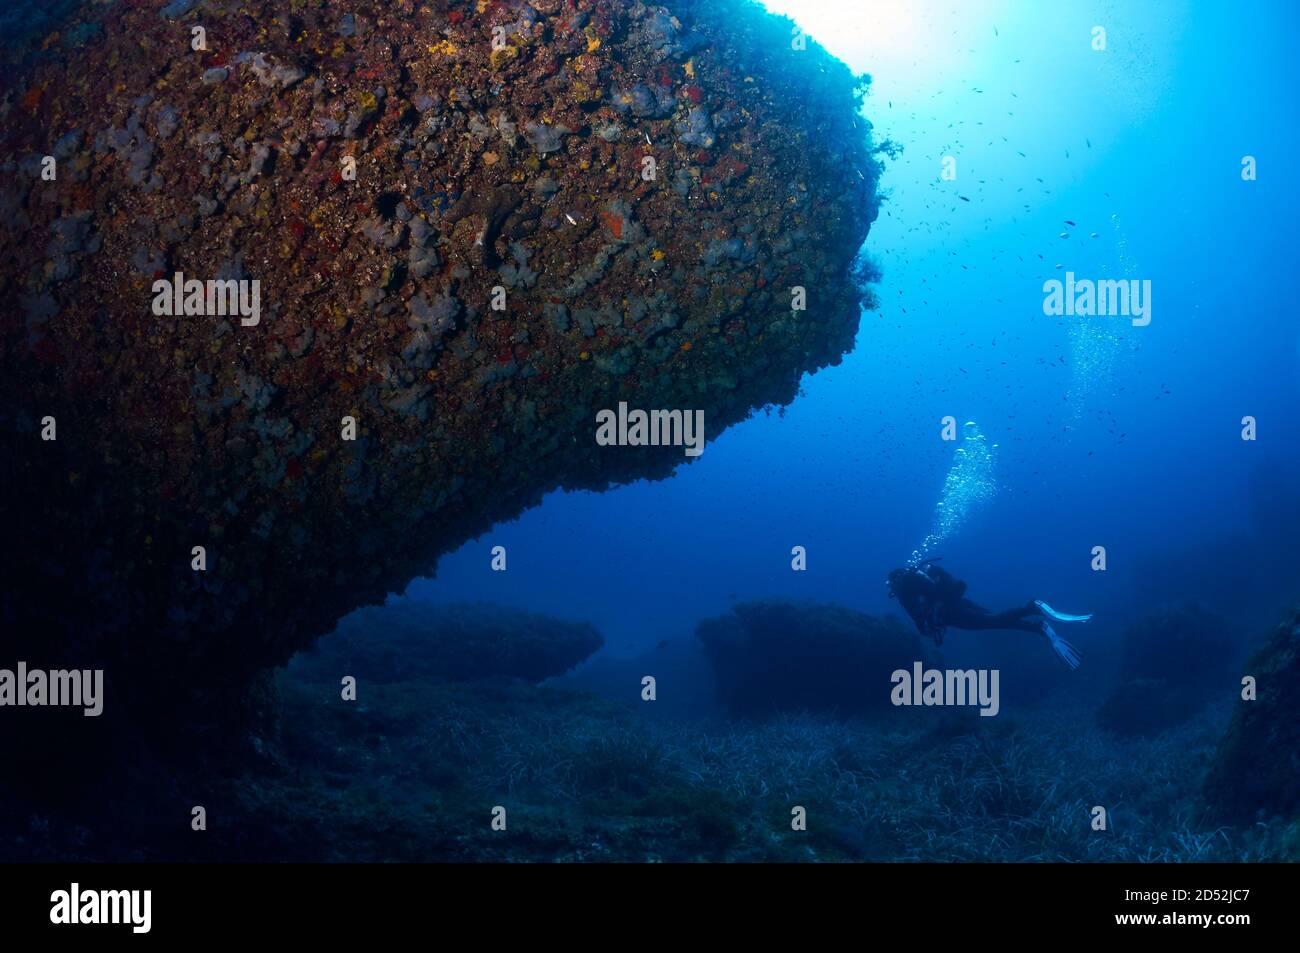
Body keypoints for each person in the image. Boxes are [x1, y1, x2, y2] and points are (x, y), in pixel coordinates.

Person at [886, 561, 1089, 669]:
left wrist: (930, 628)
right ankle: (1038, 627)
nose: (892, 590)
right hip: (958, 604)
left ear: (894, 581)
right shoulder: (917, 580)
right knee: (997, 621)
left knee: (994, 621)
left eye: (890, 585)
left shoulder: (904, 591)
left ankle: (1032, 608)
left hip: (952, 613)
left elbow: (920, 623)